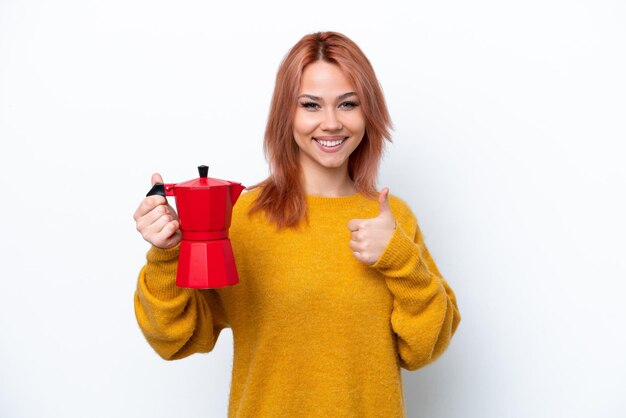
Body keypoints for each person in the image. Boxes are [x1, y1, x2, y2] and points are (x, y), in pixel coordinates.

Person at [133, 31, 461, 417]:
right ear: (286, 113)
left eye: (348, 104)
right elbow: (176, 338)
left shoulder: (393, 220)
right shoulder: (241, 218)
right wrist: (166, 254)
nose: (332, 123)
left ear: (367, 112)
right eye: (311, 105)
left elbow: (423, 348)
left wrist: (401, 260)